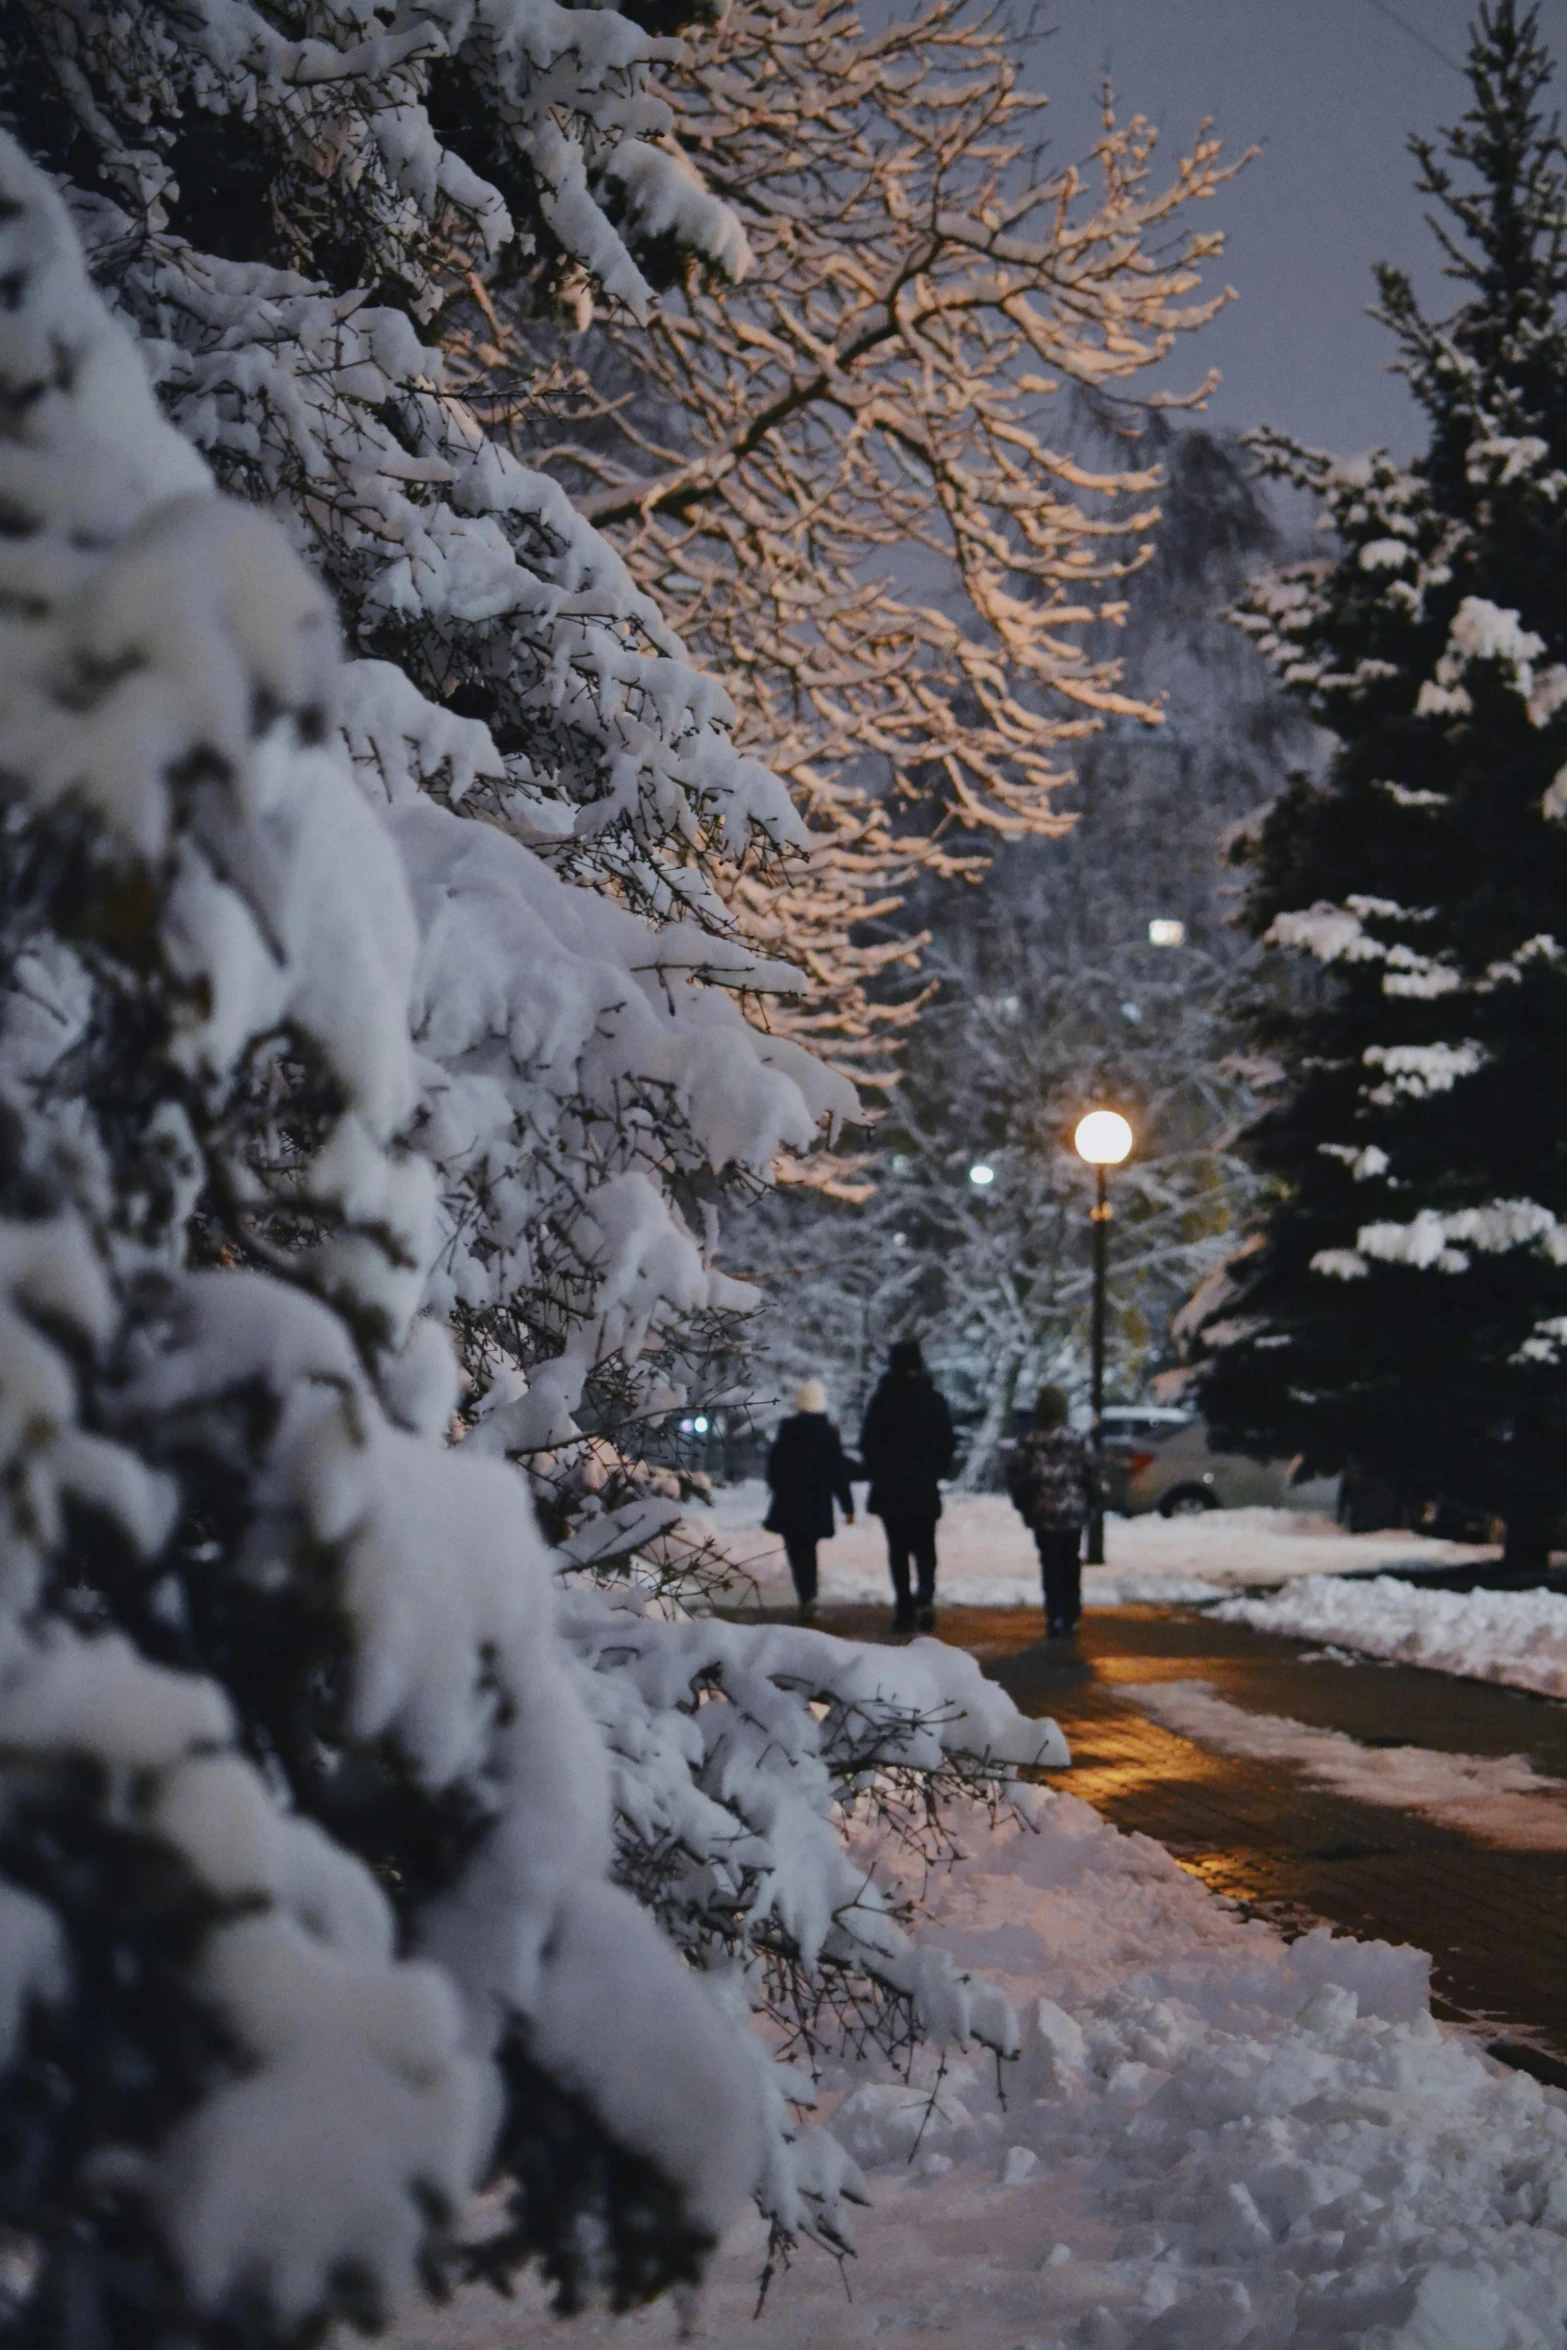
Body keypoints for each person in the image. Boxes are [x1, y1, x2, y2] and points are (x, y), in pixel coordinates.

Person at [860, 1338, 956, 1634]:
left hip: (891, 1489)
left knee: (898, 1549)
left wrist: (880, 1471)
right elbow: (947, 1444)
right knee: (925, 1546)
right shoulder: (934, 1401)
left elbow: (868, 1444)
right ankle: (925, 1591)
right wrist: (934, 1471)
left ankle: (903, 1607)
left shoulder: (882, 1401)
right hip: (924, 1487)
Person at [1005, 1385, 1098, 1638]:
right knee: (1070, 1560)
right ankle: (1071, 1611)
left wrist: (1025, 1505)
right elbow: (1091, 1473)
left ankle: (1054, 1612)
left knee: (1049, 1562)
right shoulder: (1076, 1440)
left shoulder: (1029, 1442)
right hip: (1072, 1512)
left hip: (1042, 1512)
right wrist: (1090, 1501)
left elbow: (1017, 1477)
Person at [764, 1379, 856, 1619]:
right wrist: (847, 1506)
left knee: (795, 1550)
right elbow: (838, 1472)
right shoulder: (828, 1434)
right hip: (817, 1503)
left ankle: (805, 1594)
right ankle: (810, 1595)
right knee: (810, 1548)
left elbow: (775, 1466)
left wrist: (777, 1487)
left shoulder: (788, 1431)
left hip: (790, 1502)